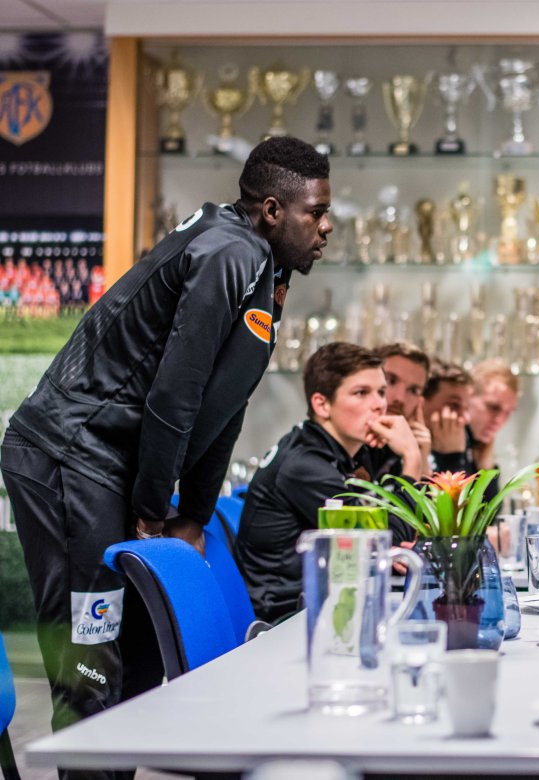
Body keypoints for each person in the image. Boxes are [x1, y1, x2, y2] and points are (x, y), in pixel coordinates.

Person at [0, 137, 331, 757]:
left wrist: (193, 515)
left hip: (111, 462)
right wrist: (154, 511)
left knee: (143, 655)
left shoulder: (262, 266)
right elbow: (176, 394)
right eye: (315, 212)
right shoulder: (230, 252)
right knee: (91, 665)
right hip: (68, 452)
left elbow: (226, 400)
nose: (327, 226)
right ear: (271, 210)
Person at [236, 342, 420, 623]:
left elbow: (386, 538)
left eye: (381, 392)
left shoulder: (336, 453)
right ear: (322, 404)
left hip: (328, 604)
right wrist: (412, 458)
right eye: (361, 393)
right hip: (286, 621)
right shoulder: (304, 466)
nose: (380, 404)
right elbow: (385, 543)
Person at [363, 341, 432, 482]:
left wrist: (422, 464)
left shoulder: (402, 450)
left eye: (413, 390)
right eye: (391, 381)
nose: (400, 398)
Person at [422, 359, 475, 474]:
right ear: (422, 403)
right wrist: (452, 458)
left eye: (467, 408)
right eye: (454, 405)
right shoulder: (400, 449)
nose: (466, 418)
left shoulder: (464, 442)